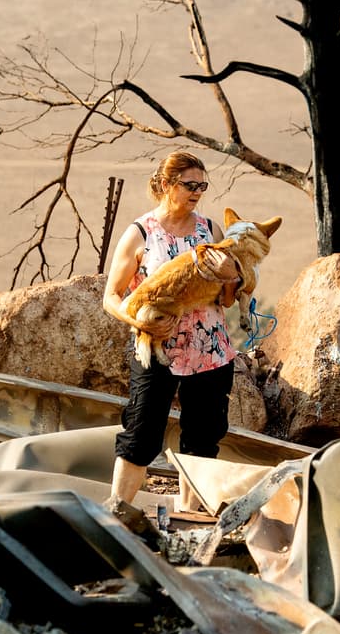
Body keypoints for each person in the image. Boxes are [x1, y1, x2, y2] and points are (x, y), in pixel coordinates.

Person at [102, 151, 241, 518]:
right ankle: (116, 515)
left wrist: (231, 276)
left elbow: (227, 300)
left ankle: (186, 520)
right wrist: (139, 323)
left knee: (201, 441)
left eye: (202, 186)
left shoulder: (209, 230)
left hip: (209, 351)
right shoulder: (141, 233)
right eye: (189, 185)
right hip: (157, 348)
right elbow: (111, 296)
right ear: (166, 185)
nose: (197, 192)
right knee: (141, 434)